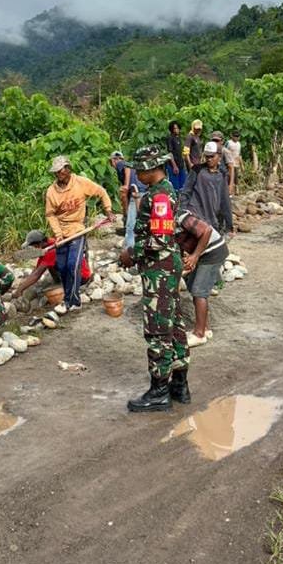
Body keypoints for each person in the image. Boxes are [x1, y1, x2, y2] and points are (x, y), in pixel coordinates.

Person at [119, 144, 189, 412]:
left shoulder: (159, 196)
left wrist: (132, 254)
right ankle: (179, 384)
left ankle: (159, 391)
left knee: (158, 328)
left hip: (159, 270)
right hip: (166, 267)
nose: (137, 175)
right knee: (175, 325)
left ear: (151, 169)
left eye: (140, 170)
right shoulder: (164, 190)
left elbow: (159, 239)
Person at [44, 155, 114, 314]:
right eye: (56, 172)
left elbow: (101, 192)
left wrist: (108, 210)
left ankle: (72, 301)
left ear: (68, 169)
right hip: (61, 233)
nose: (58, 175)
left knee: (73, 265)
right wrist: (58, 233)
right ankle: (68, 298)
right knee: (62, 267)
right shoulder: (51, 192)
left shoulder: (80, 183)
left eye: (61, 171)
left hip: (78, 230)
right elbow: (50, 214)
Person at [175, 207, 228, 346]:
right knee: (193, 285)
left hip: (213, 252)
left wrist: (195, 256)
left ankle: (199, 334)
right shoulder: (167, 224)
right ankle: (205, 328)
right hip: (204, 253)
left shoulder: (180, 217)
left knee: (199, 291)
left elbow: (207, 231)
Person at [11, 229, 92, 299]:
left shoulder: (51, 251)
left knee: (49, 269)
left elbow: (37, 274)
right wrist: (23, 285)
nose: (34, 248)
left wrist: (19, 290)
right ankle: (60, 282)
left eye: (34, 246)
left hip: (82, 277)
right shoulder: (48, 244)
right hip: (78, 271)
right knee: (50, 265)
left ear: (39, 244)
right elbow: (37, 269)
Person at [179, 141, 234, 237]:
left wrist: (229, 224)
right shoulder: (197, 170)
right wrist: (183, 212)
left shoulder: (222, 174)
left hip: (213, 218)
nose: (209, 159)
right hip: (196, 214)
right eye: (207, 156)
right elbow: (186, 191)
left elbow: (225, 199)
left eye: (212, 156)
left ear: (219, 156)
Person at [166, 121, 187, 190]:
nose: (176, 130)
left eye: (177, 128)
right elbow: (170, 153)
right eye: (174, 128)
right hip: (173, 166)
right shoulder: (170, 138)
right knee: (176, 187)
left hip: (181, 164)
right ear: (171, 129)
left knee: (183, 185)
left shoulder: (179, 138)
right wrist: (174, 166)